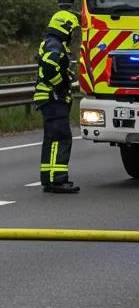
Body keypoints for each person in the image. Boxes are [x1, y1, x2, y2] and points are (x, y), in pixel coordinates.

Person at [33, 10, 81, 193]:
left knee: (51, 139)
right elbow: (49, 67)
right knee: (61, 138)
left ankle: (48, 178)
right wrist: (60, 85)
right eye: (71, 30)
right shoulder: (55, 45)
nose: (72, 34)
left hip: (48, 98)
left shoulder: (52, 43)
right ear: (64, 27)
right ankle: (57, 180)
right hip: (53, 98)